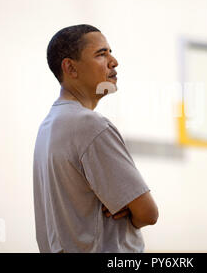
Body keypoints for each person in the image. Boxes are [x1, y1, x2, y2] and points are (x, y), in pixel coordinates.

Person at [33, 24, 158, 253]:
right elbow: (149, 213)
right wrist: (132, 212)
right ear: (70, 67)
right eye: (101, 54)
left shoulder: (48, 126)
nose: (114, 62)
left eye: (110, 52)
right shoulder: (91, 126)